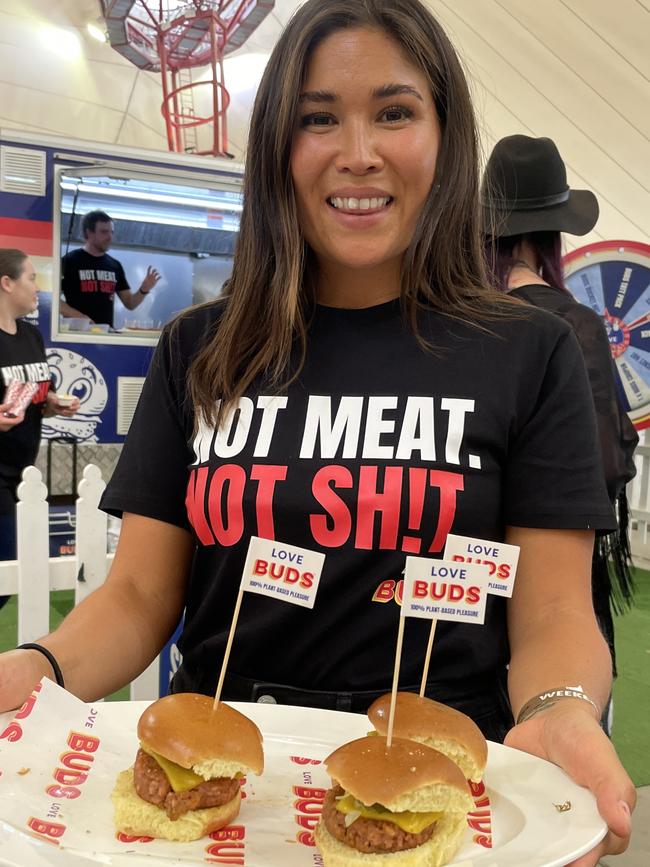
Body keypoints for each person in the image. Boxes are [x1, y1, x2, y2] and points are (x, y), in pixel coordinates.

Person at [0, 2, 634, 863]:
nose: (358, 151)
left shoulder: (529, 349)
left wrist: (559, 705)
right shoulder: (201, 347)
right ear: (276, 149)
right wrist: (36, 665)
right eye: (317, 118)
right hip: (226, 786)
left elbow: (556, 608)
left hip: (448, 784)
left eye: (395, 112)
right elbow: (140, 595)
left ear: (446, 137)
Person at [481, 135, 638, 694]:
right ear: (552, 232)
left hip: (460, 579)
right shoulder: (571, 326)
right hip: (552, 579)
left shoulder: (453, 320)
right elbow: (601, 465)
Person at [0, 249, 80, 603]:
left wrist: (51, 404)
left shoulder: (32, 337)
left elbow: (31, 394)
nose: (38, 287)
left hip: (22, 475)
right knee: (5, 573)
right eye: (31, 278)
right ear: (6, 283)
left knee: (10, 573)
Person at [60, 210, 161, 327]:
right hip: (75, 333)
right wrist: (81, 317)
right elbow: (52, 300)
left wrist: (144, 289)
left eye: (111, 232)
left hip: (105, 334)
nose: (109, 237)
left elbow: (130, 303)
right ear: (89, 233)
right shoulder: (70, 261)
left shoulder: (114, 265)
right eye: (104, 232)